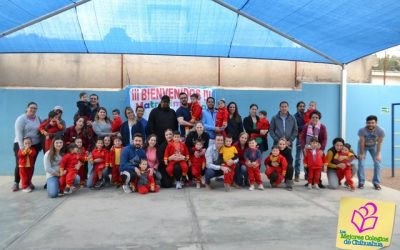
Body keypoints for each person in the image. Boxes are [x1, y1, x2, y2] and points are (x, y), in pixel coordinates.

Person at [13, 102, 42, 192]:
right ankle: (16, 183)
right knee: (20, 164)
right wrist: (23, 148)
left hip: (34, 146)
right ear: (27, 108)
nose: (33, 110)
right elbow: (18, 134)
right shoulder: (21, 119)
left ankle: (28, 182)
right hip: (21, 145)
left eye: (35, 108)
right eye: (31, 108)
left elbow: (41, 131)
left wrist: (40, 144)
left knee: (31, 165)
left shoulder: (38, 118)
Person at [300, 109, 328, 188]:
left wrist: (322, 149)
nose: (314, 119)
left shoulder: (322, 127)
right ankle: (310, 181)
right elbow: (302, 138)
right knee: (308, 165)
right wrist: (304, 148)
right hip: (307, 149)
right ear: (310, 118)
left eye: (316, 117)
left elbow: (324, 139)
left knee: (318, 166)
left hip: (318, 149)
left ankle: (318, 182)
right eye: (313, 117)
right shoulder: (306, 126)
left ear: (319, 118)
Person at [357, 115, 385, 190]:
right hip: (363, 146)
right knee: (361, 163)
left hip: (373, 146)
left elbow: (379, 143)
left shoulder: (380, 131)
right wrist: (362, 154)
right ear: (366, 123)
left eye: (373, 123)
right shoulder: (362, 130)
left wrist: (378, 154)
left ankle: (376, 183)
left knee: (377, 163)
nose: (371, 124)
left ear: (376, 123)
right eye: (369, 123)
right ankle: (361, 182)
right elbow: (362, 142)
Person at [294, 101, 306, 182]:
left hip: (308, 139)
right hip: (299, 138)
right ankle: (297, 175)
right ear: (297, 107)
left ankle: (307, 174)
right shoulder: (294, 116)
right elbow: (295, 127)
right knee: (298, 157)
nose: (302, 107)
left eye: (303, 106)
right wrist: (305, 126)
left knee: (307, 157)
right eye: (300, 106)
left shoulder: (307, 115)